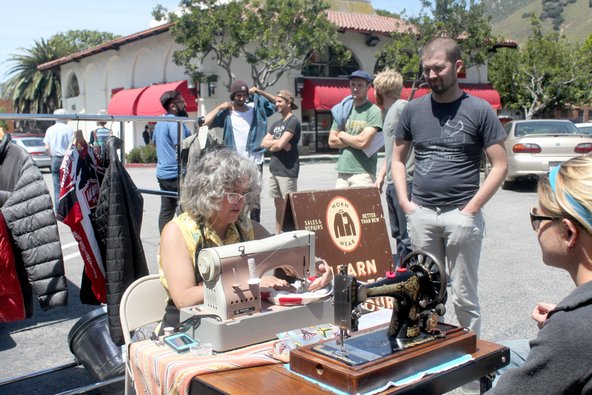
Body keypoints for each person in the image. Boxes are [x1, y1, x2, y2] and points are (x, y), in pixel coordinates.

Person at [391, 37, 508, 336]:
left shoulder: (480, 110)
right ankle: (430, 356)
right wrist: (407, 204)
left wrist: (471, 209)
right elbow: (398, 159)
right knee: (425, 292)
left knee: (464, 296)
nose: (431, 76)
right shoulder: (412, 110)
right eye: (427, 69)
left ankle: (472, 365)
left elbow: (500, 164)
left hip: (461, 216)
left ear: (458, 67)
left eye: (438, 68)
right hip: (422, 216)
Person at [158, 148, 331, 329]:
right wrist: (250, 284)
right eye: (232, 193)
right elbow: (184, 298)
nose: (240, 201)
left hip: (234, 322)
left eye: (245, 193)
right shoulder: (177, 232)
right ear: (208, 192)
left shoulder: (246, 227)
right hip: (188, 328)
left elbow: (287, 252)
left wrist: (317, 266)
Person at [486, 156, 592, 394]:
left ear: (568, 233)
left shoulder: (571, 332)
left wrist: (567, 325)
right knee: (507, 352)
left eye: (537, 218)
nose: (535, 229)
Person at [203, 80, 276, 223]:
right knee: (234, 197)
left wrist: (260, 92)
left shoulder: (257, 109)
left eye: (244, 95)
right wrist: (219, 107)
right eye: (238, 95)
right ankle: (236, 226)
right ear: (233, 95)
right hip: (234, 162)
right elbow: (204, 122)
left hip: (255, 160)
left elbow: (277, 105)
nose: (242, 98)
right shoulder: (227, 113)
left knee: (254, 199)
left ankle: (254, 227)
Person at [373, 69, 413, 267]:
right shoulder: (386, 112)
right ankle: (402, 267)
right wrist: (381, 176)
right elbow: (390, 152)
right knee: (397, 232)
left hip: (406, 181)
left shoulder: (401, 107)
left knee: (407, 234)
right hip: (391, 181)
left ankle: (407, 272)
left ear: (380, 89)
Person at [328, 70, 383, 188]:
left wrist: (342, 134)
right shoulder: (343, 110)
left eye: (360, 85)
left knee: (362, 207)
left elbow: (363, 142)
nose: (355, 88)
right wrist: (354, 140)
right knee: (340, 206)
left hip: (363, 173)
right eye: (353, 84)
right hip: (342, 171)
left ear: (368, 87)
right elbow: (332, 141)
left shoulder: (374, 111)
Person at [260, 90, 301, 234]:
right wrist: (280, 142)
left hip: (287, 171)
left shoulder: (293, 121)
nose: (276, 104)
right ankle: (278, 235)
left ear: (288, 103)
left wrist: (278, 143)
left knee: (290, 206)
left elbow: (277, 146)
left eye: (279, 102)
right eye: (276, 101)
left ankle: (293, 235)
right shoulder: (276, 123)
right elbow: (263, 143)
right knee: (278, 204)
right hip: (274, 169)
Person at [153, 90, 191, 233]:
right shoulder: (176, 123)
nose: (185, 104)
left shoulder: (160, 122)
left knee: (166, 210)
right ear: (173, 106)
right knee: (184, 210)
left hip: (163, 174)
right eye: (181, 101)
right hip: (176, 174)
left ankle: (164, 240)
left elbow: (155, 142)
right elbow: (182, 147)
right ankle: (182, 241)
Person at [44, 108, 74, 209]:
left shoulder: (50, 129)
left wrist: (51, 156)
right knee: (68, 186)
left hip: (55, 159)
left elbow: (47, 147)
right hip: (67, 159)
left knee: (57, 188)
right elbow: (72, 146)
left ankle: (58, 211)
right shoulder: (69, 129)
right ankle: (68, 210)